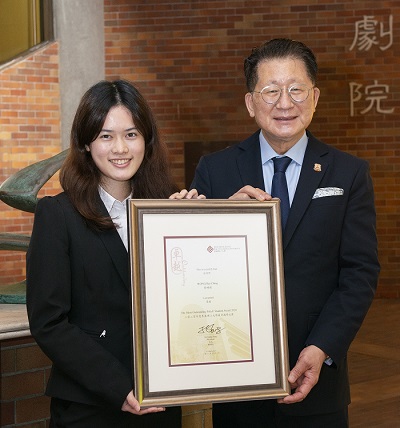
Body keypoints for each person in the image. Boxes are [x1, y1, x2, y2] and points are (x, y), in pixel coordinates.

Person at [190, 38, 380, 428]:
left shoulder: (348, 173)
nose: (284, 103)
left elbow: (360, 272)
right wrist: (221, 220)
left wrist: (322, 347)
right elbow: (196, 276)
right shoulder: (216, 171)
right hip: (238, 377)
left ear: (314, 97)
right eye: (271, 91)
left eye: (296, 90)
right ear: (250, 103)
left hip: (318, 375)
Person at [26, 79, 200, 427]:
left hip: (163, 403)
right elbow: (49, 323)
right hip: (91, 407)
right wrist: (119, 387)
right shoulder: (58, 215)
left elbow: (193, 301)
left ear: (147, 142)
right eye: (106, 136)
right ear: (86, 144)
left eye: (131, 134)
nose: (120, 147)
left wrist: (195, 231)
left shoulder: (167, 208)